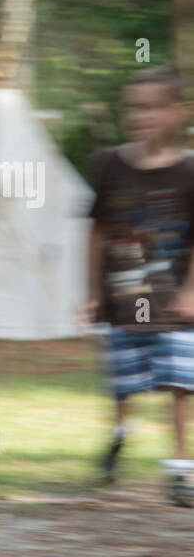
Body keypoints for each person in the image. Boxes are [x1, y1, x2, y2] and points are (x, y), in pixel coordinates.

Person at [85, 64, 194, 505]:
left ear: (177, 112)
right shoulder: (109, 165)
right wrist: (91, 291)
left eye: (151, 108)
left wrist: (190, 291)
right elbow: (96, 233)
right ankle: (118, 436)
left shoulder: (189, 170)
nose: (140, 116)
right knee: (123, 381)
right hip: (123, 297)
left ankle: (180, 467)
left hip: (173, 301)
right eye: (133, 108)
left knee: (179, 382)